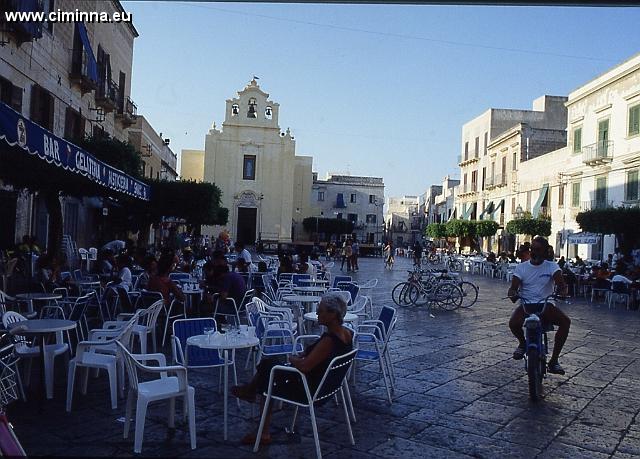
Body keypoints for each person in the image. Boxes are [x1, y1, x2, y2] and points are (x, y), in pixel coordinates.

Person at [231, 292, 353, 445]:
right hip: (326, 387)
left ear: (333, 314)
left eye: (320, 310)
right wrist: (308, 353)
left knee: (268, 374)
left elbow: (305, 366)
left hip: (308, 389)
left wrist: (292, 358)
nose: (316, 313)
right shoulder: (347, 334)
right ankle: (250, 392)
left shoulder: (329, 341)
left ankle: (262, 430)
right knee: (269, 366)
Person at [507, 236, 570, 375]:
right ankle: (523, 343)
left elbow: (561, 284)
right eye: (532, 250)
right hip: (526, 304)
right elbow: (513, 288)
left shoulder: (552, 266)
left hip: (545, 305)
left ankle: (554, 360)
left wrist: (563, 291)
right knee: (513, 323)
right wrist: (513, 293)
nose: (534, 253)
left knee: (565, 322)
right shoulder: (521, 267)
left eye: (538, 250)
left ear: (545, 251)